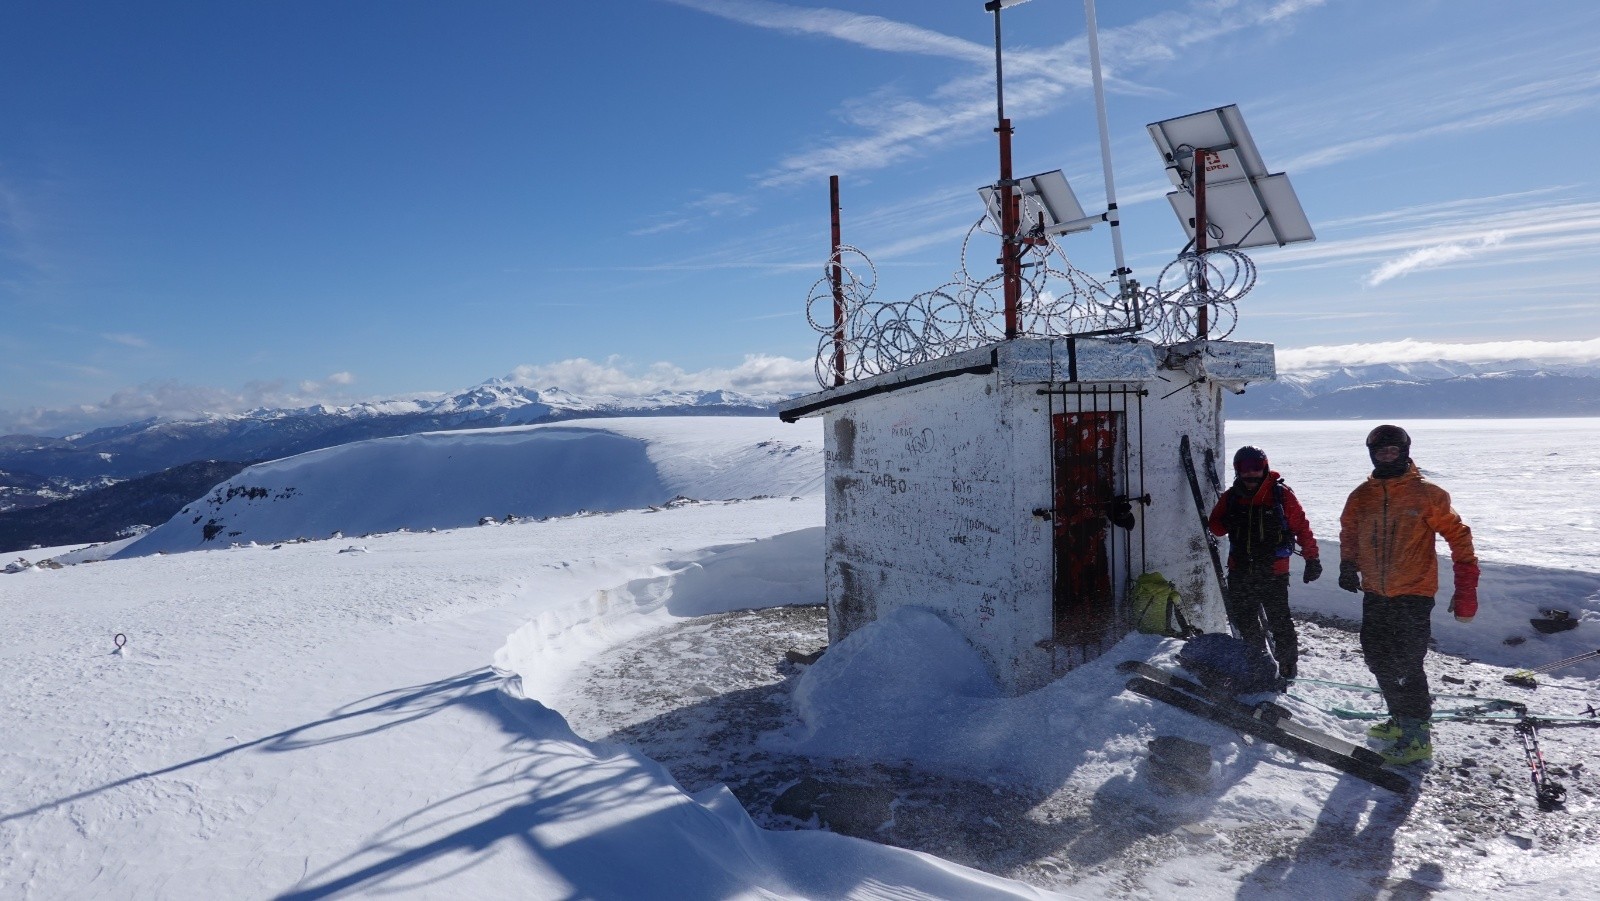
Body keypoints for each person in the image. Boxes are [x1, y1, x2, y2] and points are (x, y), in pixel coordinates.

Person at [1338, 424, 1479, 765]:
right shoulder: (1361, 496)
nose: (1388, 456)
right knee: (1377, 657)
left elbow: (1459, 538)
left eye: (1393, 450)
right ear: (1372, 454)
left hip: (1413, 592)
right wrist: (1347, 564)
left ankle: (1418, 738)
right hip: (1376, 591)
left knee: (1407, 663)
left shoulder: (1427, 494)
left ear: (1404, 451)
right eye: (1381, 451)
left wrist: (1466, 589)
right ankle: (1400, 720)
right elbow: (1349, 532)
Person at [1208, 445, 1321, 682]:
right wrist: (1227, 520)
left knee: (1279, 620)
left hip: (1273, 572)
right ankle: (1256, 661)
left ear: (1265, 468)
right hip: (1240, 570)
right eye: (1245, 469)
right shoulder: (1231, 497)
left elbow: (1301, 527)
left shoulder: (1281, 495)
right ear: (1237, 470)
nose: (1251, 474)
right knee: (1245, 619)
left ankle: (1288, 665)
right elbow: (1216, 527)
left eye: (1256, 469)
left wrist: (1312, 558)